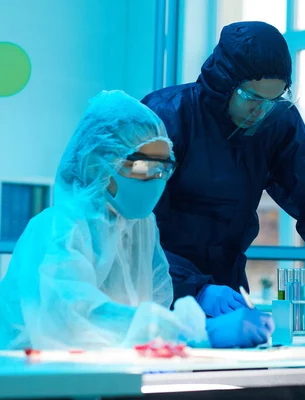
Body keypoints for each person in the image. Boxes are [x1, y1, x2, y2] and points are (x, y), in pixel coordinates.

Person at [0, 90, 273, 350]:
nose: (157, 179)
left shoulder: (139, 229)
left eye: (165, 168)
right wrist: (196, 332)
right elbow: (76, 320)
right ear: (99, 164)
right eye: (145, 167)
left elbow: (154, 302)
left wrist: (188, 329)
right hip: (32, 381)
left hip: (108, 376)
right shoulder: (58, 230)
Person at [141, 21, 305, 318]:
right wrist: (192, 288)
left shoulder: (275, 122)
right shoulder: (167, 116)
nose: (259, 111)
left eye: (272, 100)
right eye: (251, 98)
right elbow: (134, 230)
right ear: (223, 83)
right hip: (156, 291)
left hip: (226, 291)